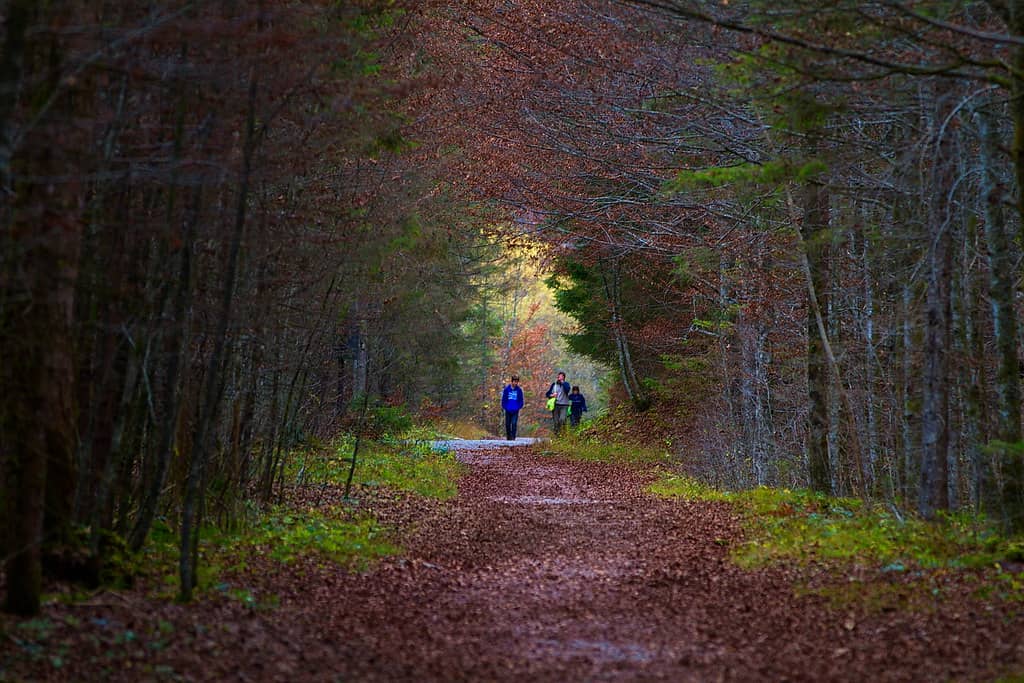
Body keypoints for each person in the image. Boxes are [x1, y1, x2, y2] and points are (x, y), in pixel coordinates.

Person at [501, 374, 525, 441]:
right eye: (514, 381)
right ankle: (508, 437)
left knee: (514, 423)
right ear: (511, 381)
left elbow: (521, 400)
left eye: (517, 382)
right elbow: (504, 399)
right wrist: (504, 406)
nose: (515, 383)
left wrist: (518, 407)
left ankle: (513, 437)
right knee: (507, 424)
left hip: (515, 410)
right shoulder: (507, 389)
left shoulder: (519, 390)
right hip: (508, 409)